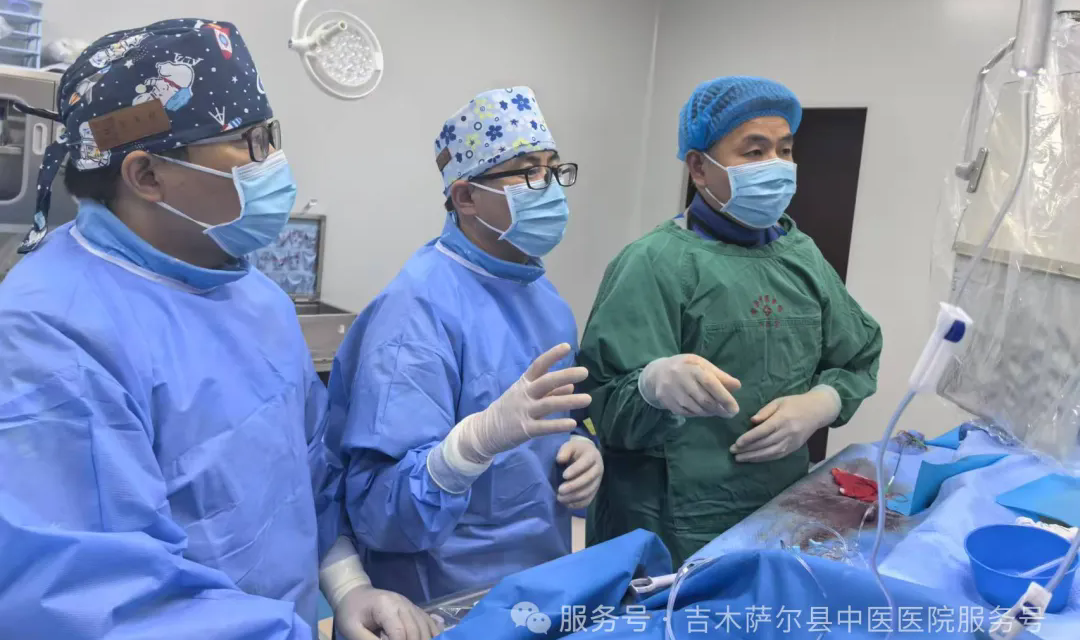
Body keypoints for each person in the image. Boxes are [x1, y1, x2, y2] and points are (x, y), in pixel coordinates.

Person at [0, 19, 441, 640]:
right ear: (147, 174)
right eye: (246, 143)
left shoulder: (254, 296)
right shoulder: (50, 334)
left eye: (271, 135)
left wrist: (347, 585)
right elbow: (93, 605)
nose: (273, 163)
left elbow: (304, 477)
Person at [578, 76, 882, 566]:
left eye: (785, 150)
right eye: (754, 151)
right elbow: (600, 406)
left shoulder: (800, 255)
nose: (776, 165)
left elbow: (858, 354)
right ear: (699, 167)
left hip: (778, 510)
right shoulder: (653, 263)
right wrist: (650, 387)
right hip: (669, 528)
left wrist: (823, 402)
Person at [328, 87, 603, 604]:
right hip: (439, 598)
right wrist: (470, 446)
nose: (548, 187)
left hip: (537, 582)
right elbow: (382, 515)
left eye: (553, 168)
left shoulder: (543, 297)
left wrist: (584, 449)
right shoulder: (416, 311)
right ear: (465, 197)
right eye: (527, 172)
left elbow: (557, 422)